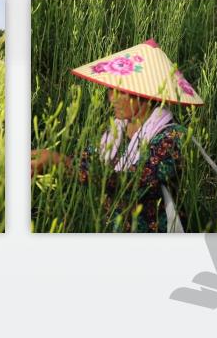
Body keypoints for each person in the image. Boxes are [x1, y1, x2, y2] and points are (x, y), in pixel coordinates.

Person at [30, 38, 203, 232]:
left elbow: (133, 183)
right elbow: (87, 162)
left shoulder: (171, 137)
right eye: (110, 90)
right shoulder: (115, 130)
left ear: (146, 94)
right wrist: (50, 162)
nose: (111, 98)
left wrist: (61, 163)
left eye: (120, 91)